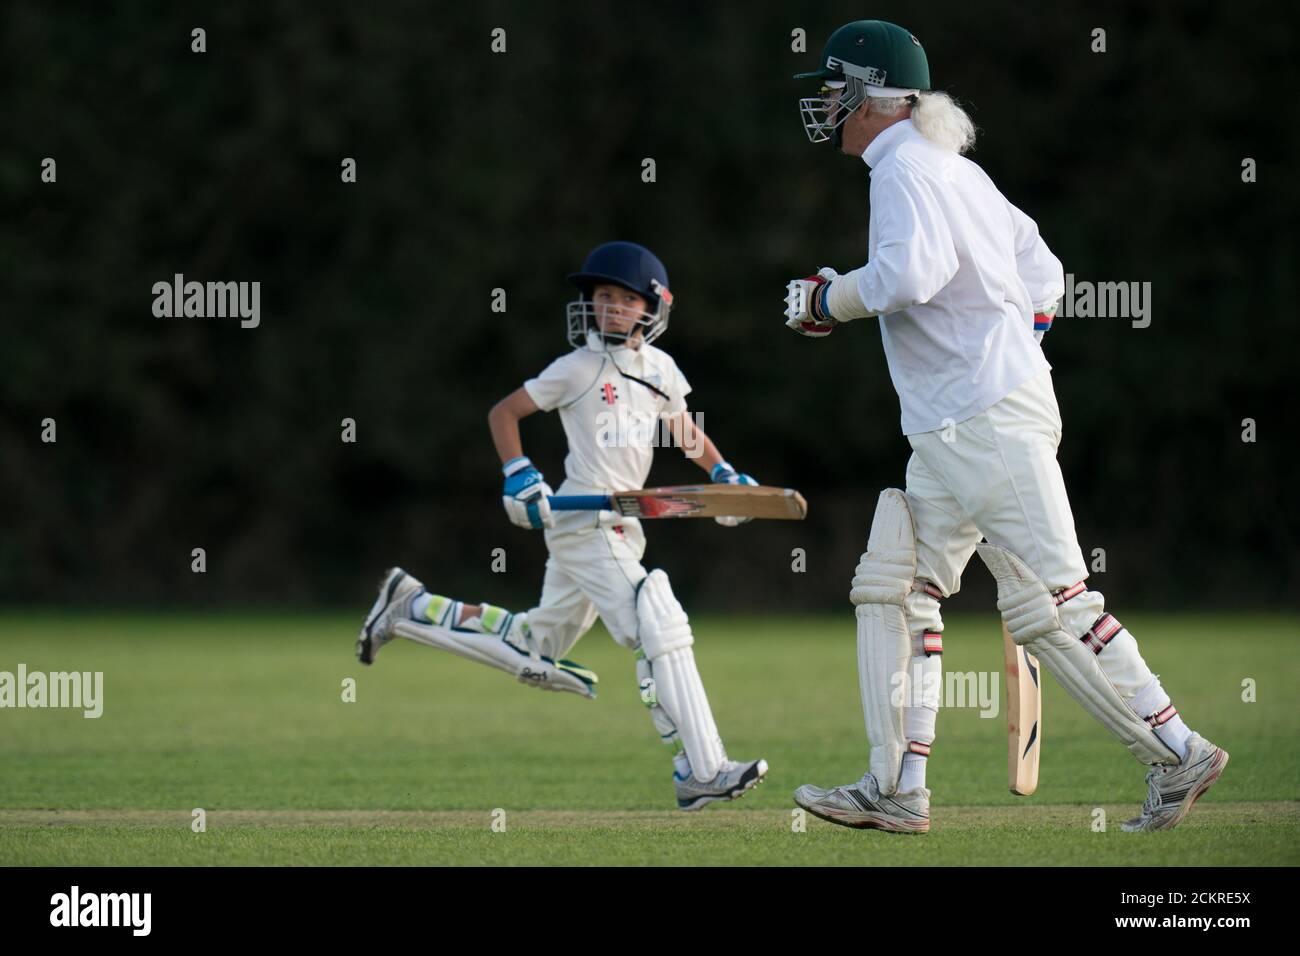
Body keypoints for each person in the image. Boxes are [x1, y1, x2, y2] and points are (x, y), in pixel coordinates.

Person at [783, 21, 1227, 833]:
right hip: (961, 421)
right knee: (898, 585)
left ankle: (1179, 749)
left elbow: (911, 277)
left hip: (982, 419)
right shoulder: (955, 169)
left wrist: (826, 299)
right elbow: (1042, 271)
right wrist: (1014, 344)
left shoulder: (906, 172)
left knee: (1059, 600)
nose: (823, 101)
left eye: (832, 84)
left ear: (872, 94)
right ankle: (899, 788)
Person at [357, 241, 768, 810]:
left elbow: (682, 432)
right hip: (581, 522)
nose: (610, 308)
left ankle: (411, 609)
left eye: (624, 299)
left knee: (536, 645)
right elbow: (505, 412)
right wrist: (519, 472)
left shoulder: (661, 372)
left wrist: (723, 473)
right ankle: (699, 768)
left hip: (623, 525)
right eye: (602, 297)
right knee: (658, 621)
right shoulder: (577, 367)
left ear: (653, 306)